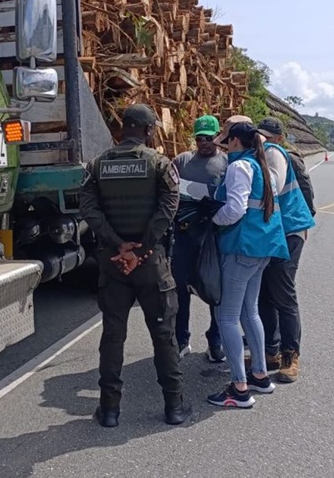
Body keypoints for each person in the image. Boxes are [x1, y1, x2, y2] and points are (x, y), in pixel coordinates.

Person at [79, 104, 191, 427]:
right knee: (164, 337)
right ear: (149, 130)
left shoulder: (97, 166)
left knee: (113, 337)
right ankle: (174, 407)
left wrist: (118, 244)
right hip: (151, 266)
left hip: (113, 265)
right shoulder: (160, 164)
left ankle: (110, 411)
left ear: (122, 129)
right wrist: (141, 249)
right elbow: (168, 210)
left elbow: (88, 209)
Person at [206, 121, 289, 408]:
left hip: (242, 248)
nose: (225, 147)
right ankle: (260, 376)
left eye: (227, 142)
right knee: (249, 311)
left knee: (226, 317)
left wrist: (211, 218)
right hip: (264, 247)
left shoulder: (239, 167)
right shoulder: (262, 165)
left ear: (235, 142)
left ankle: (239, 389)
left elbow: (235, 209)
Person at [256, 117, 316, 383]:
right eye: (260, 135)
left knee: (282, 292)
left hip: (290, 231)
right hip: (272, 233)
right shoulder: (261, 154)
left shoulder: (278, 155)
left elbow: (275, 187)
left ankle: (291, 354)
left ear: (278, 138)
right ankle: (271, 351)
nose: (263, 140)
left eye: (267, 137)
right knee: (264, 293)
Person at [171, 115, 227, 362]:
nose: (204, 143)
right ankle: (181, 340)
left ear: (218, 137)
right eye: (199, 138)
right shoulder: (182, 161)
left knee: (215, 290)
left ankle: (215, 342)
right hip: (184, 236)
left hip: (213, 238)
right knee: (180, 290)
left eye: (209, 137)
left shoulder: (226, 163)